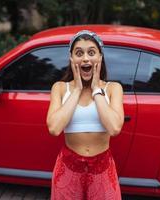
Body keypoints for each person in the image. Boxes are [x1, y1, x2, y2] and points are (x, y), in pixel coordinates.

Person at [46, 30, 124, 200]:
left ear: (100, 57)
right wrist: (77, 90)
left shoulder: (112, 88)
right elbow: (54, 128)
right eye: (79, 53)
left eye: (91, 52)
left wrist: (97, 90)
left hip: (102, 169)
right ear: (71, 59)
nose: (86, 59)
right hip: (68, 168)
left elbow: (114, 127)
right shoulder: (60, 88)